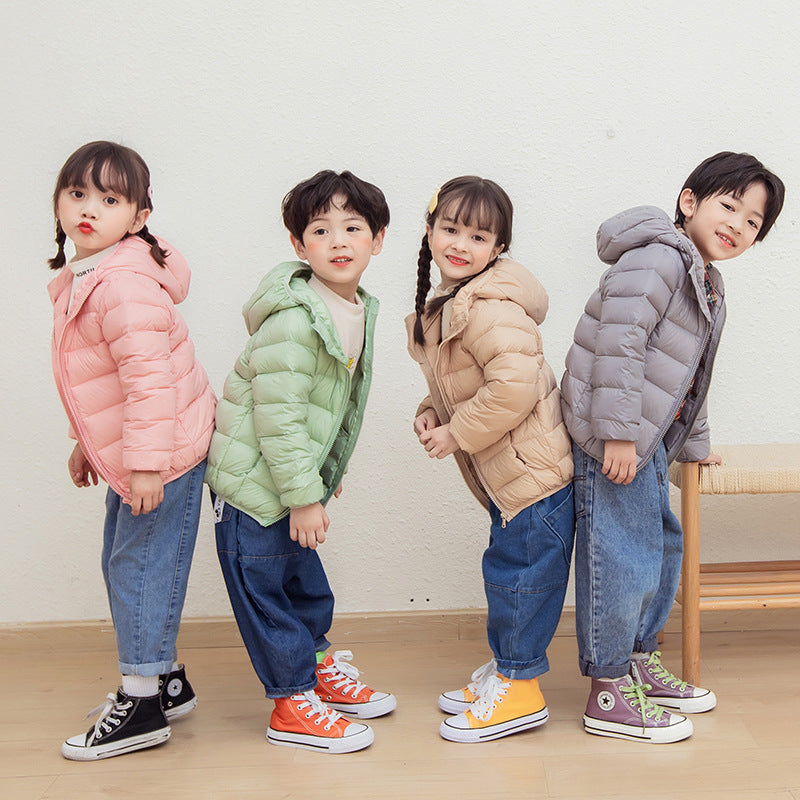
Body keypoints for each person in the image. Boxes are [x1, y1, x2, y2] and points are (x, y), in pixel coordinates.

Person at [560, 151, 785, 743]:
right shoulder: (660, 259)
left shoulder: (707, 281)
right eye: (729, 206)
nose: (737, 224)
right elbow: (620, 343)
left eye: (753, 222)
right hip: (614, 434)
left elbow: (691, 377)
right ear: (690, 202)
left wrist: (696, 444)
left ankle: (638, 660)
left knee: (659, 547)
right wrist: (617, 433)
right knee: (621, 554)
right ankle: (609, 687)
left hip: (649, 437)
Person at [205, 170, 395, 754]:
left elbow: (332, 405)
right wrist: (304, 494)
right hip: (253, 486)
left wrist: (322, 474)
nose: (338, 241)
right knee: (266, 593)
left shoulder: (352, 307)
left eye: (353, 228)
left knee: (304, 584)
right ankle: (291, 703)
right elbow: (280, 418)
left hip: (286, 480)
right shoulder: (295, 318)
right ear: (298, 244)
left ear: (377, 240)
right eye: (320, 229)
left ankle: (316, 672)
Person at [47, 141, 217, 760]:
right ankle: (164, 680)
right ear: (58, 202)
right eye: (77, 193)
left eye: (110, 199)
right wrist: (88, 445)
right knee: (126, 563)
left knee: (139, 568)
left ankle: (142, 702)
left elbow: (150, 383)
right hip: (142, 448)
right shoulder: (89, 273)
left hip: (163, 452)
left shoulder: (122, 284)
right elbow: (99, 380)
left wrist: (145, 464)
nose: (89, 209)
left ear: (139, 216)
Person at [406, 176, 574, 743]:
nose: (460, 244)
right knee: (508, 575)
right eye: (450, 229)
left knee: (521, 582)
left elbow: (513, 388)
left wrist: (456, 433)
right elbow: (464, 379)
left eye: (478, 237)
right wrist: (432, 410)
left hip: (534, 477)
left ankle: (520, 687)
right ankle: (507, 667)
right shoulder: (456, 302)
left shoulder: (490, 307)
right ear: (429, 231)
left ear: (498, 248)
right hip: (513, 476)